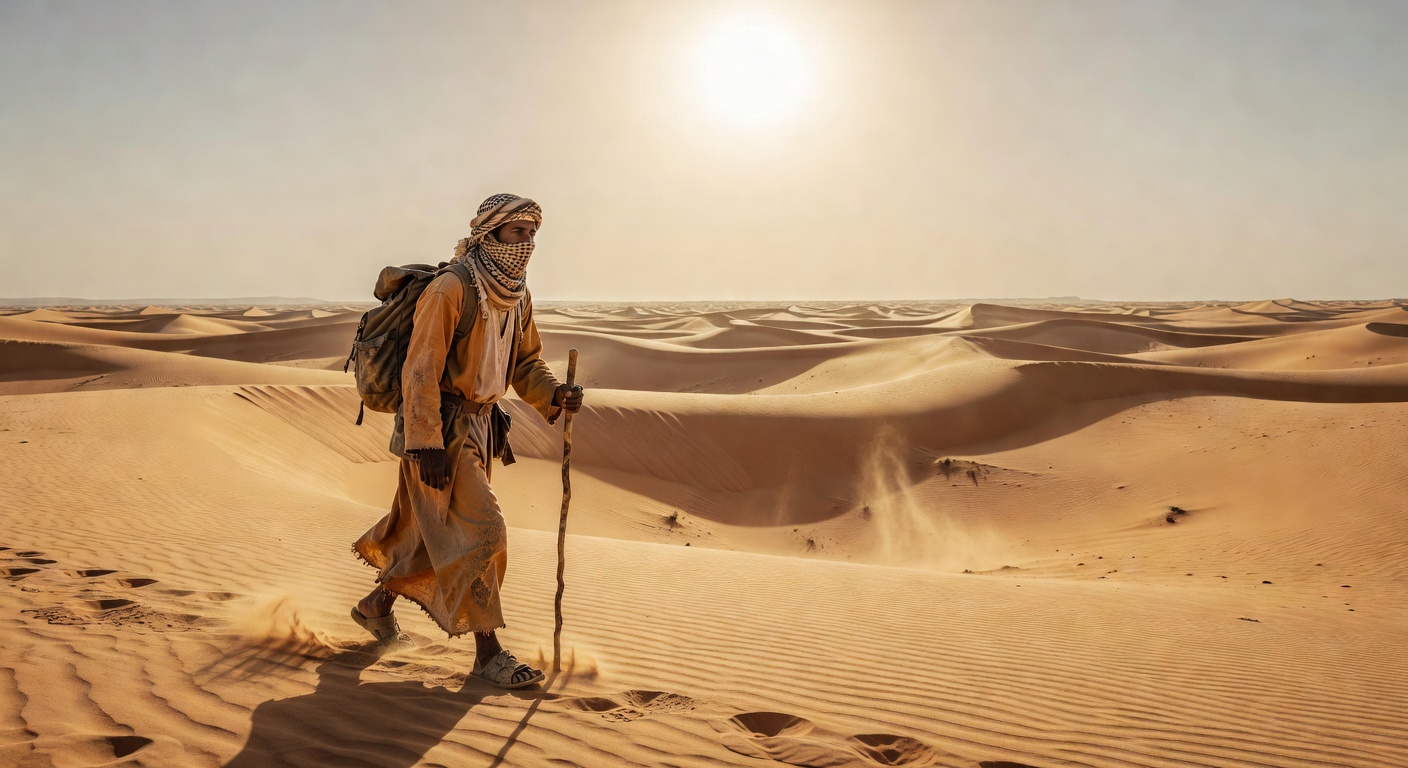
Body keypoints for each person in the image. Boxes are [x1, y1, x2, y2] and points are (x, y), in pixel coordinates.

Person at [350, 193, 584, 689]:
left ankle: (376, 608)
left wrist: (555, 394)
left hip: (482, 426)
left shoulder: (516, 293)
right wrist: (426, 444)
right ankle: (488, 653)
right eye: (518, 232)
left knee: (424, 533)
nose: (527, 243)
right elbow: (421, 369)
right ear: (489, 232)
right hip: (442, 429)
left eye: (532, 233)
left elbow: (525, 362)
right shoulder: (451, 288)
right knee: (484, 533)